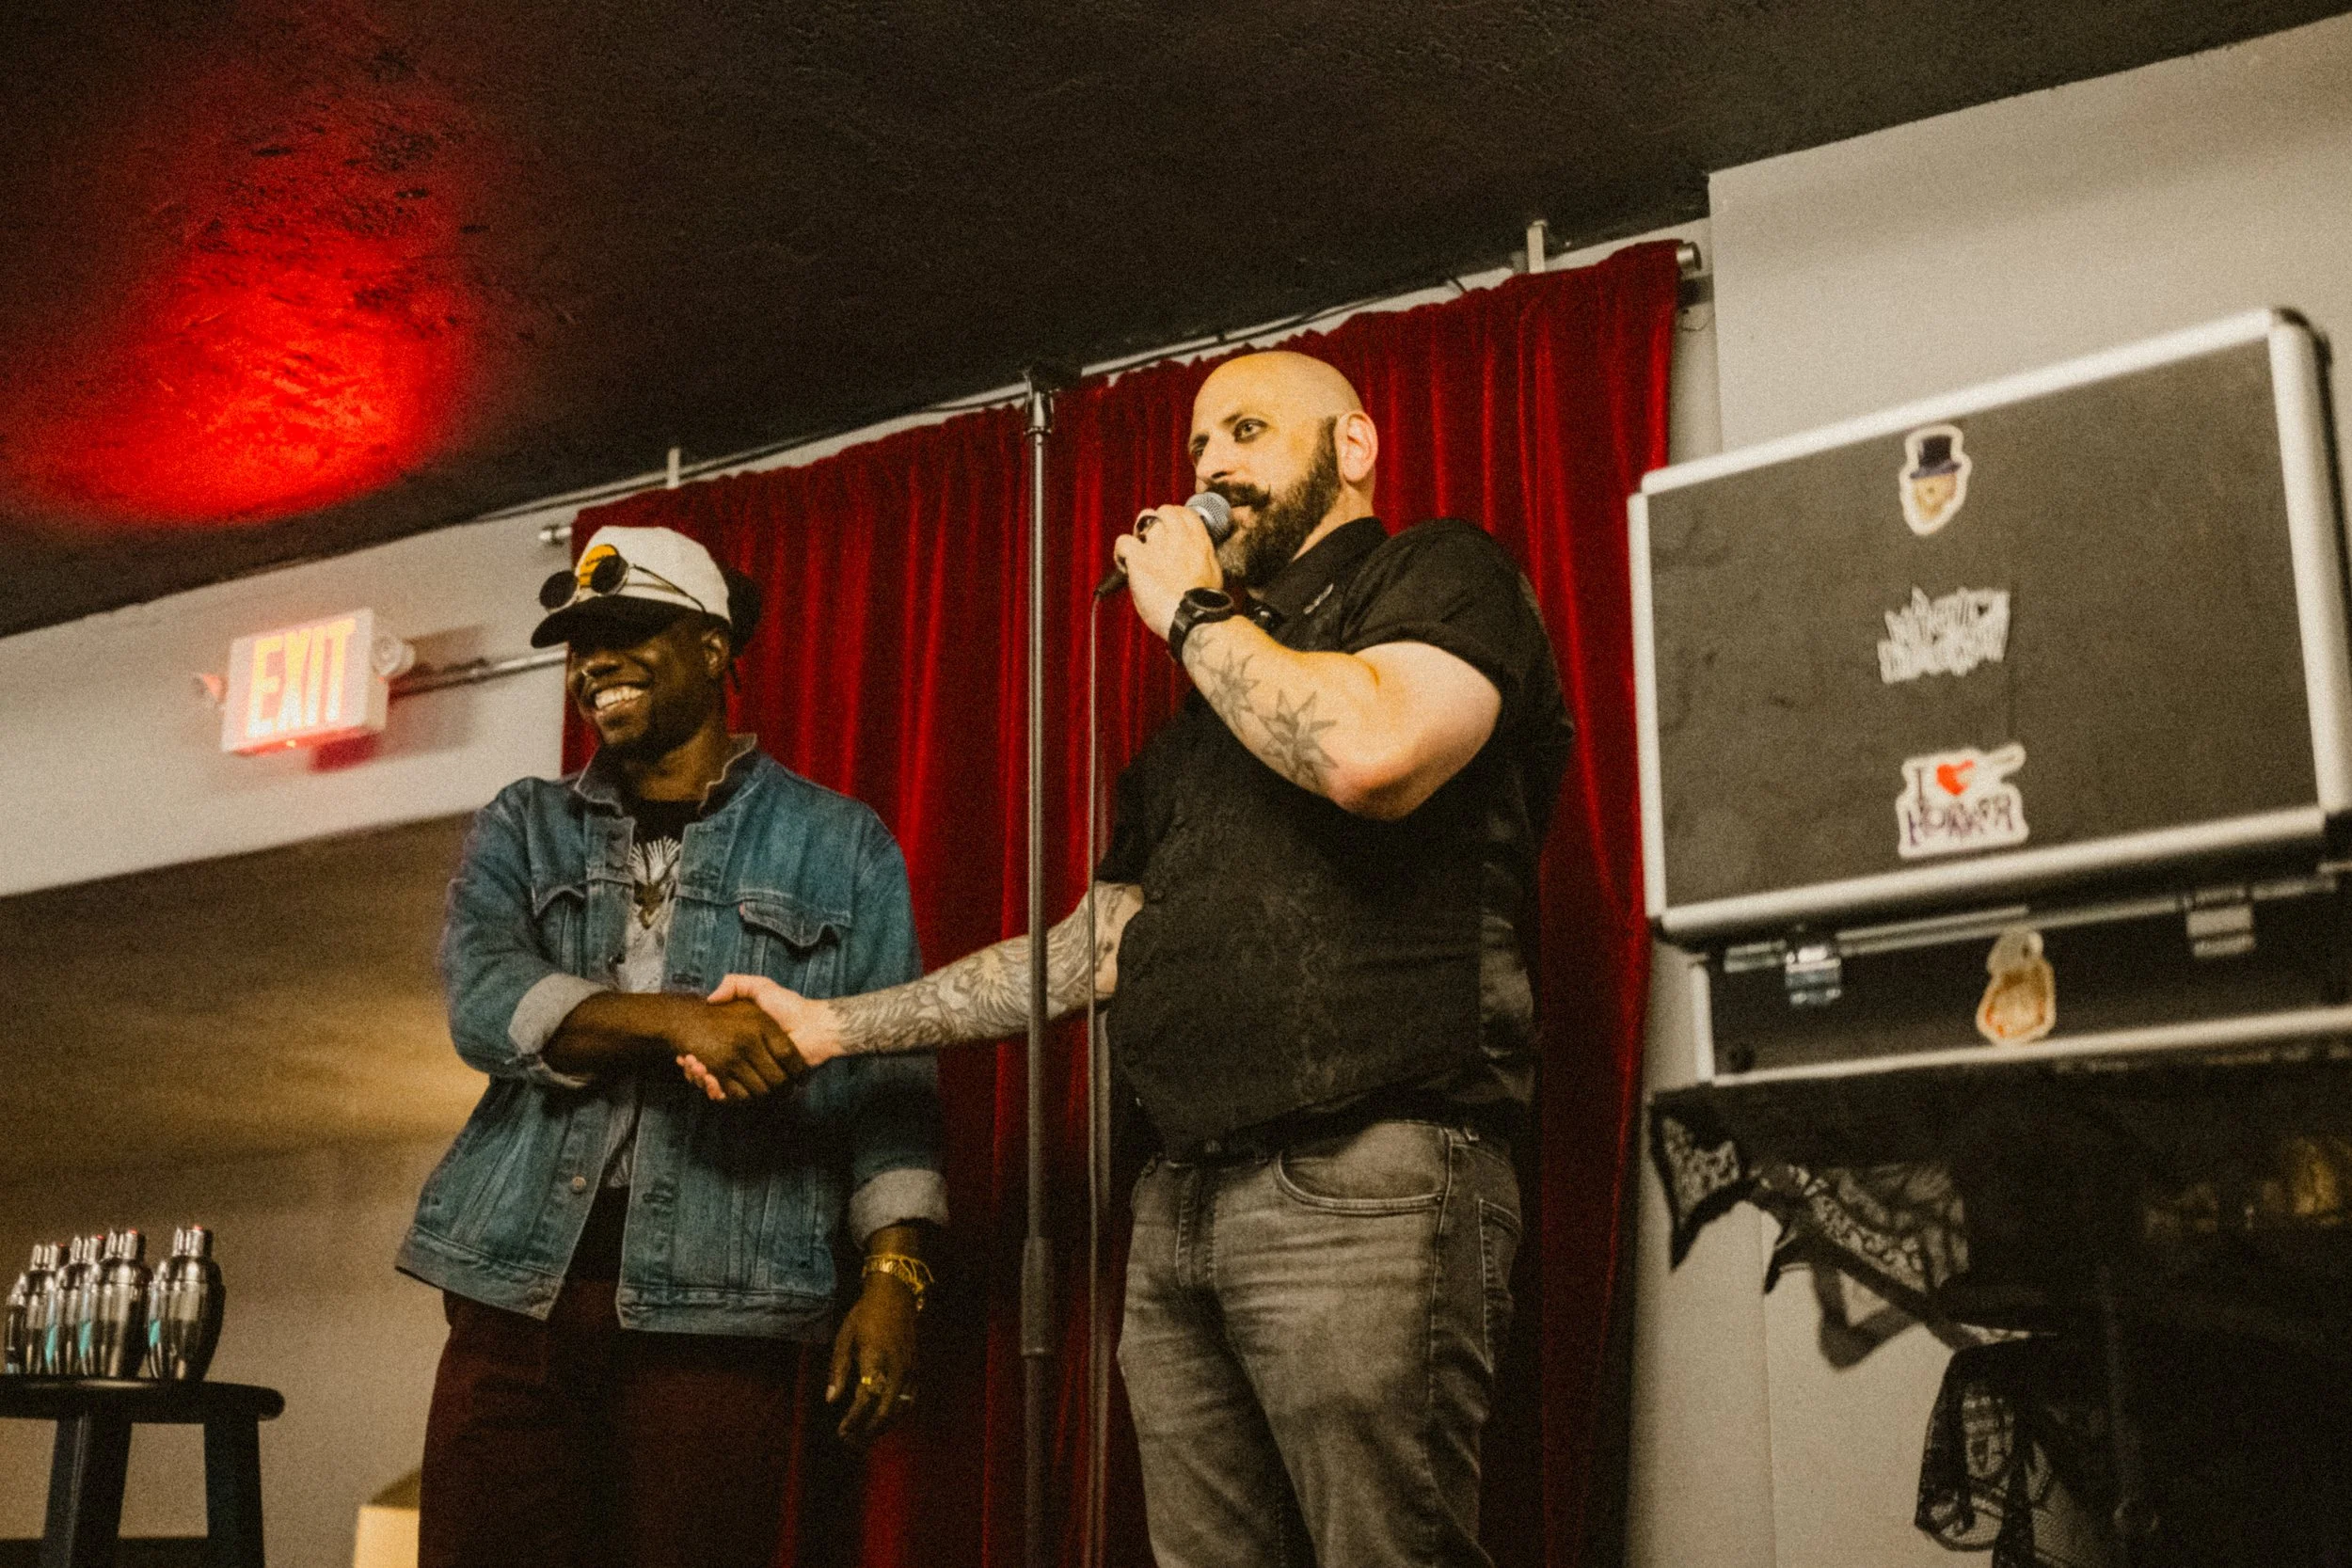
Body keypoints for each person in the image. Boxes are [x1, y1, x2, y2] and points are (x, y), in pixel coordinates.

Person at [708, 351, 1575, 1567]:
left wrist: (1190, 610)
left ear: (1358, 446)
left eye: (1251, 430)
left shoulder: (1437, 571)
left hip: (1368, 1179)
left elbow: (1374, 751)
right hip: (1181, 1199)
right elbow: (1092, 946)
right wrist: (834, 1025)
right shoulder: (1193, 728)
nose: (1214, 465)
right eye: (1198, 447)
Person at [398, 525, 948, 1568]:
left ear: (712, 645)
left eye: (624, 630)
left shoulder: (840, 841)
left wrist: (893, 1278)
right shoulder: (524, 822)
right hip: (514, 1289)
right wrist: (680, 1018)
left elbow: (892, 1082)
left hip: (724, 1305)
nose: (593, 659)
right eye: (577, 643)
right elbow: (484, 1000)